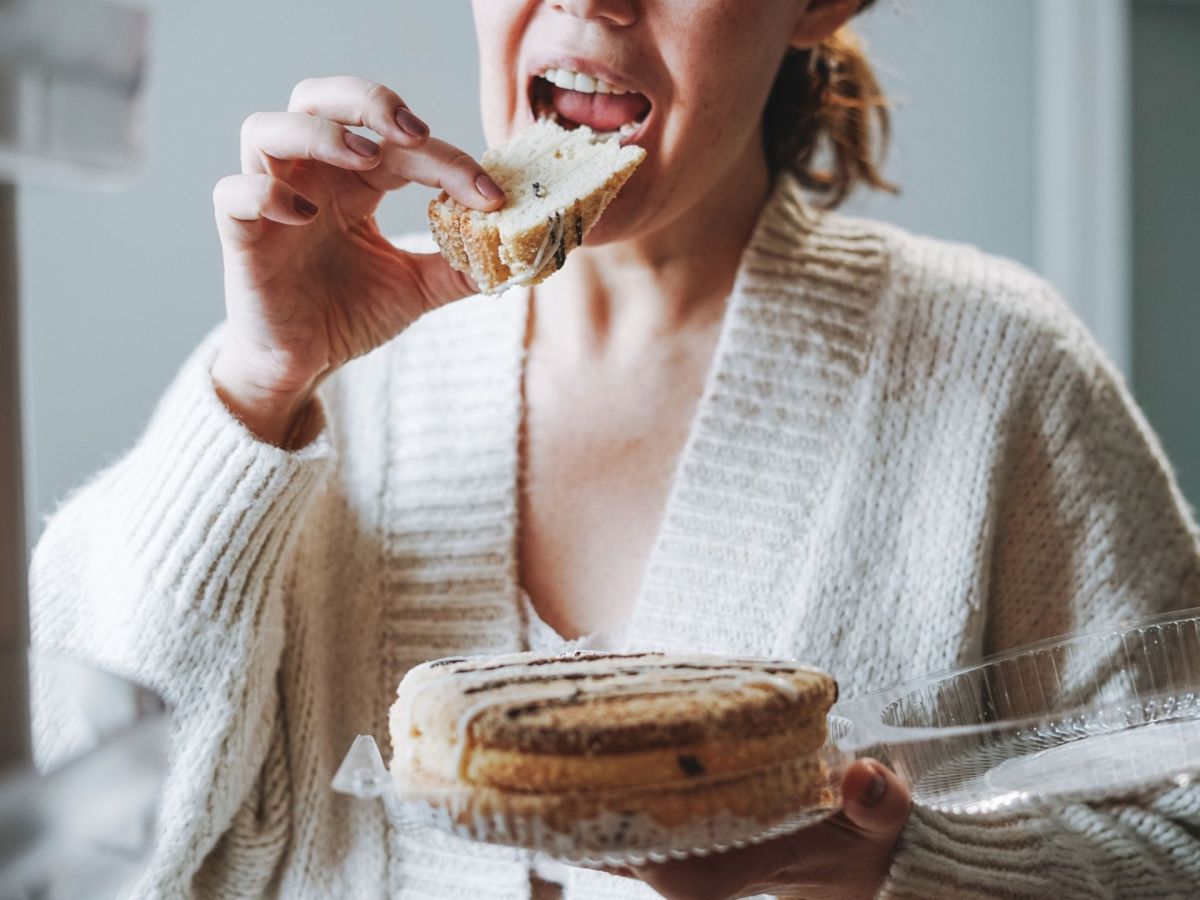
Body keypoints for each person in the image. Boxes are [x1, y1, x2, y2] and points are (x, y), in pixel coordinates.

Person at [28, 0, 1200, 897]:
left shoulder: (1001, 377)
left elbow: (1177, 836)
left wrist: (899, 869)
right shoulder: (299, 386)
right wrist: (259, 383)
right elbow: (71, 844)